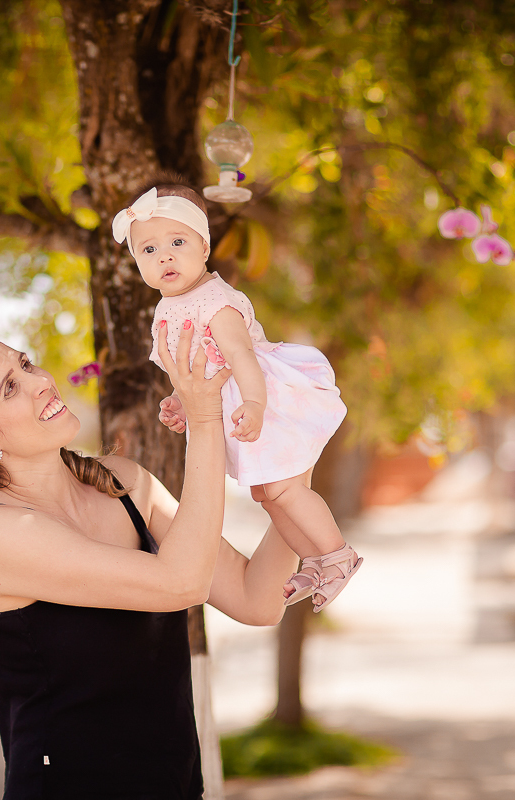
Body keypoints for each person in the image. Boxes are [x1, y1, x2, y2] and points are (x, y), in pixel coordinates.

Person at [0, 326, 299, 800]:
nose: (41, 380)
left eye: (25, 364)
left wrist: (294, 469)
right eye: (10, 387)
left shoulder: (125, 484)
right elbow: (181, 583)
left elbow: (255, 599)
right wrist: (204, 418)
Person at [111, 179, 362, 612]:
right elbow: (190, 369)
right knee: (267, 495)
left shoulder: (214, 300)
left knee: (282, 489)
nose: (164, 256)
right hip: (234, 404)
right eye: (148, 250)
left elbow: (242, 356)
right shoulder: (166, 309)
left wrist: (255, 404)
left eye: (177, 242)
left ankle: (337, 552)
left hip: (261, 396)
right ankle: (315, 560)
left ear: (204, 247)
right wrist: (179, 400)